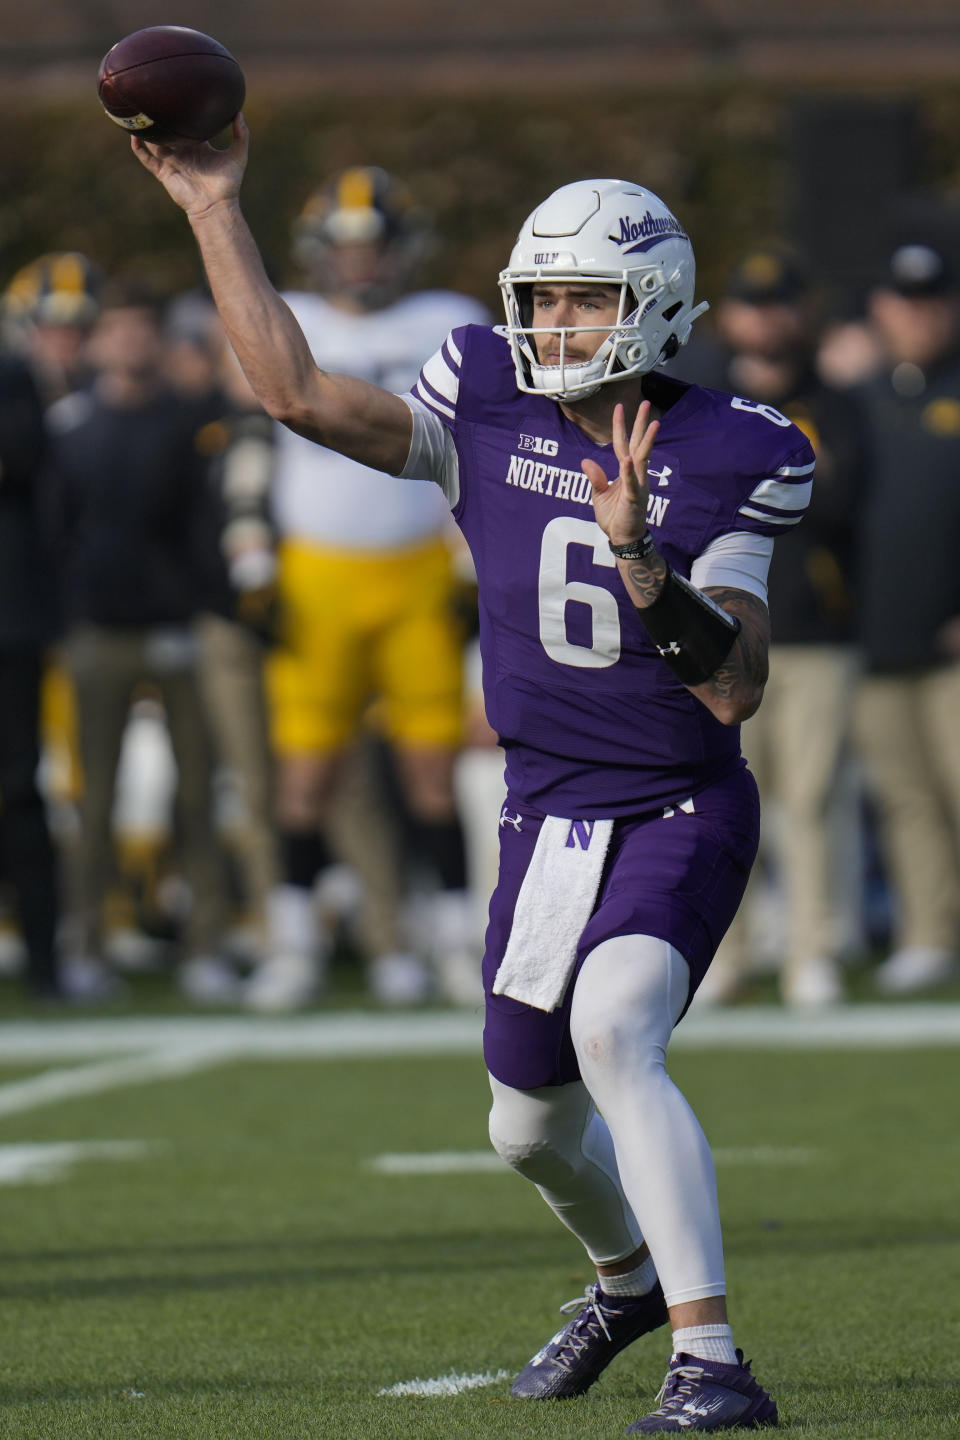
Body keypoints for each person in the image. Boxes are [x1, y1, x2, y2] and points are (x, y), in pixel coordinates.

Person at [132, 125, 816, 1430]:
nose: (556, 324)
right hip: (544, 818)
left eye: (585, 298)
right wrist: (215, 209)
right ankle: (622, 1282)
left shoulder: (738, 447)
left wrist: (644, 564)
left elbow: (732, 687)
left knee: (618, 1028)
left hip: (676, 806)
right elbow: (294, 396)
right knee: (526, 1131)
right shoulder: (483, 393)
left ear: (654, 305)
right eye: (542, 296)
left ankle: (713, 1362)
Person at [247, 166, 490, 1011]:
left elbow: (487, 454)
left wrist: (472, 564)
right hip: (315, 573)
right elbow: (244, 446)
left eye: (376, 244)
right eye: (348, 246)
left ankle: (458, 942)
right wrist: (249, 556)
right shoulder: (292, 319)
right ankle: (293, 947)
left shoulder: (451, 322)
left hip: (420, 570)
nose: (361, 262)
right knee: (305, 778)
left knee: (433, 771)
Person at [669, 247, 865, 1007]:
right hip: (719, 631)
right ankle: (730, 950)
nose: (765, 318)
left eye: (778, 302)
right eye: (752, 304)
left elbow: (847, 508)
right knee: (722, 794)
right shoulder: (699, 398)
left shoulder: (835, 400)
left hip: (814, 632)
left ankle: (813, 947)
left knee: (809, 797)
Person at [43, 277, 232, 1002]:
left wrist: (194, 609)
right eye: (116, 329)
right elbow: (60, 532)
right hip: (98, 632)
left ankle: (206, 946)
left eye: (140, 328)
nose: (130, 341)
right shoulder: (72, 427)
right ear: (98, 341)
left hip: (178, 630)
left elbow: (202, 527)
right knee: (93, 798)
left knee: (196, 795)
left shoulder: (188, 421)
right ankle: (85, 942)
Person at [851, 242, 960, 994]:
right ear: (880, 310)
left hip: (954, 640)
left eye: (930, 300)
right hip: (876, 639)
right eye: (903, 300)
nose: (917, 314)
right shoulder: (855, 399)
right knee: (906, 798)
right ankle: (929, 936)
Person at [0, 338, 62, 999]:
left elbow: (19, 458)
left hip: (10, 614)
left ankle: (44, 958)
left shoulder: (12, 370)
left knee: (20, 789)